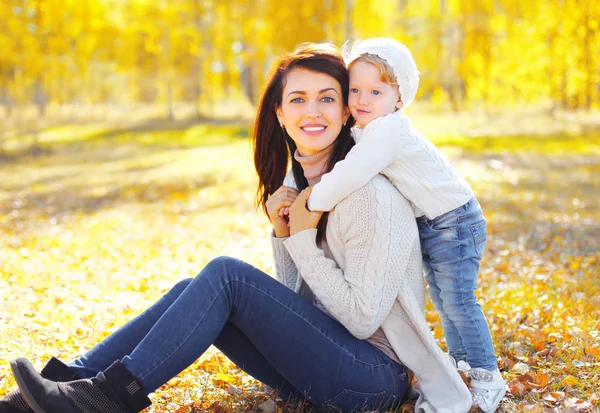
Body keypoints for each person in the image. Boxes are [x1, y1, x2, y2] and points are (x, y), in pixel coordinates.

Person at [2, 43, 470, 413]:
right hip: (323, 366)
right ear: (280, 116)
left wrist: (301, 238)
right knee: (194, 287)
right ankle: (63, 386)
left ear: (347, 112)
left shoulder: (368, 195)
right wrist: (285, 235)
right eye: (298, 100)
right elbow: (299, 302)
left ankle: (106, 399)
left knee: (227, 275)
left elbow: (363, 320)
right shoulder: (302, 188)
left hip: (375, 379)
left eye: (329, 98)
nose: (314, 111)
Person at [295, 37, 506, 412]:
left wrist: (311, 203)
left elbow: (351, 173)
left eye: (375, 91)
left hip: (455, 222)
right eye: (355, 90)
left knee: (458, 300)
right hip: (438, 224)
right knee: (444, 300)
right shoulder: (370, 129)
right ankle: (459, 366)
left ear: (398, 98)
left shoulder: (387, 131)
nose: (362, 99)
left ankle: (488, 376)